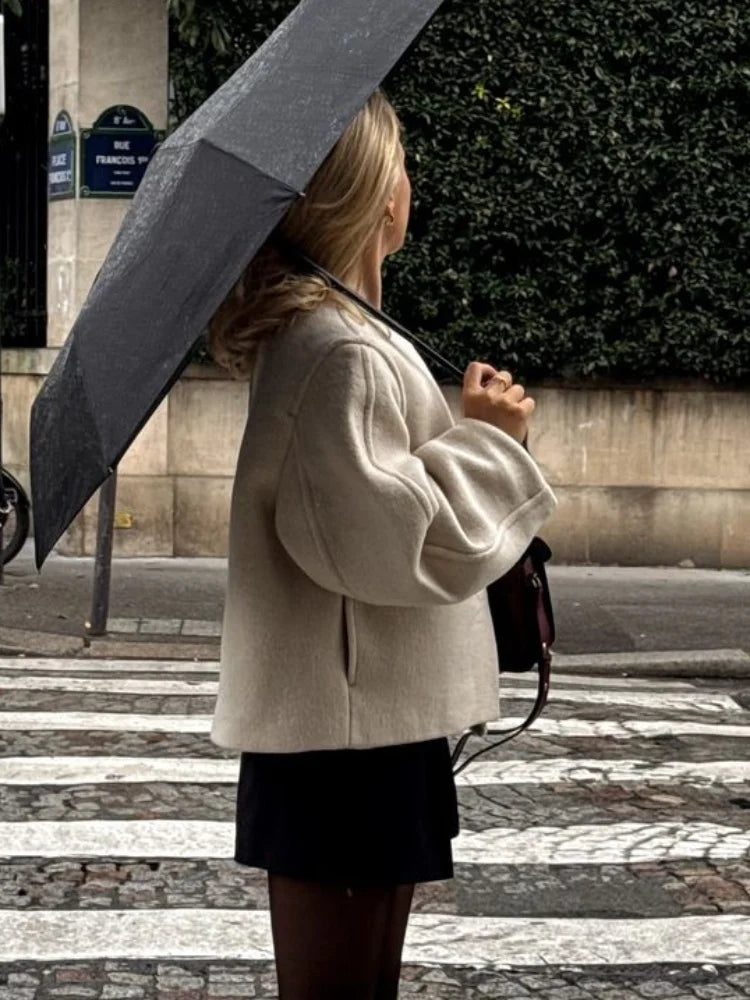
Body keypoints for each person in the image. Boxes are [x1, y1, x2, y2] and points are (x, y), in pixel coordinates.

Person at [208, 89, 556, 1000]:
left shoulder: (348, 337)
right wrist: (487, 441)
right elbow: (386, 539)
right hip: (345, 743)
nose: (411, 179)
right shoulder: (337, 351)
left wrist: (472, 434)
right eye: (398, 161)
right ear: (370, 193)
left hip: (363, 724)